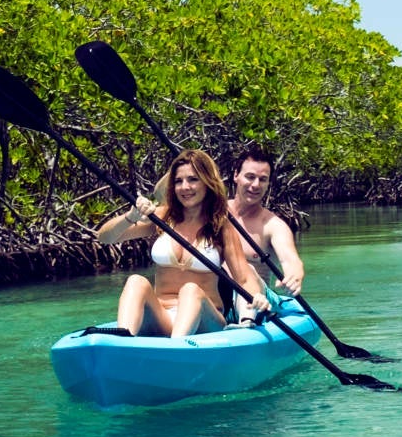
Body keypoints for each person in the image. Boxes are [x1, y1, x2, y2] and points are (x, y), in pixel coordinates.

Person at [95, 148, 265, 336]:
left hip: (206, 321)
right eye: (178, 181)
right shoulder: (162, 217)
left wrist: (255, 296)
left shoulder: (220, 226)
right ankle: (122, 339)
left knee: (191, 290)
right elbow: (104, 238)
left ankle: (177, 348)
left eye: (193, 179)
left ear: (207, 183)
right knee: (136, 281)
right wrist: (130, 216)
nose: (185, 187)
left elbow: (243, 277)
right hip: (164, 316)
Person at [226, 144, 305, 300]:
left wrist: (294, 274)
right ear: (236, 176)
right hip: (216, 297)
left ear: (268, 183)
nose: (255, 185)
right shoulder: (213, 212)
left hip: (255, 300)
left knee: (248, 268)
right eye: (250, 177)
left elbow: (290, 260)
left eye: (263, 179)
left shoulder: (273, 226)